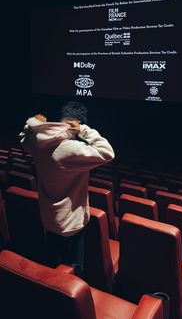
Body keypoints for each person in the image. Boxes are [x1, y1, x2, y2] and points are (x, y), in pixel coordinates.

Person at [20, 101, 115, 273]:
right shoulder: (71, 149)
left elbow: (24, 136)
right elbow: (107, 152)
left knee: (51, 264)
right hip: (70, 223)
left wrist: (33, 123)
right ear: (78, 124)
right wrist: (84, 130)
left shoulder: (36, 143)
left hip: (48, 216)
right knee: (71, 272)